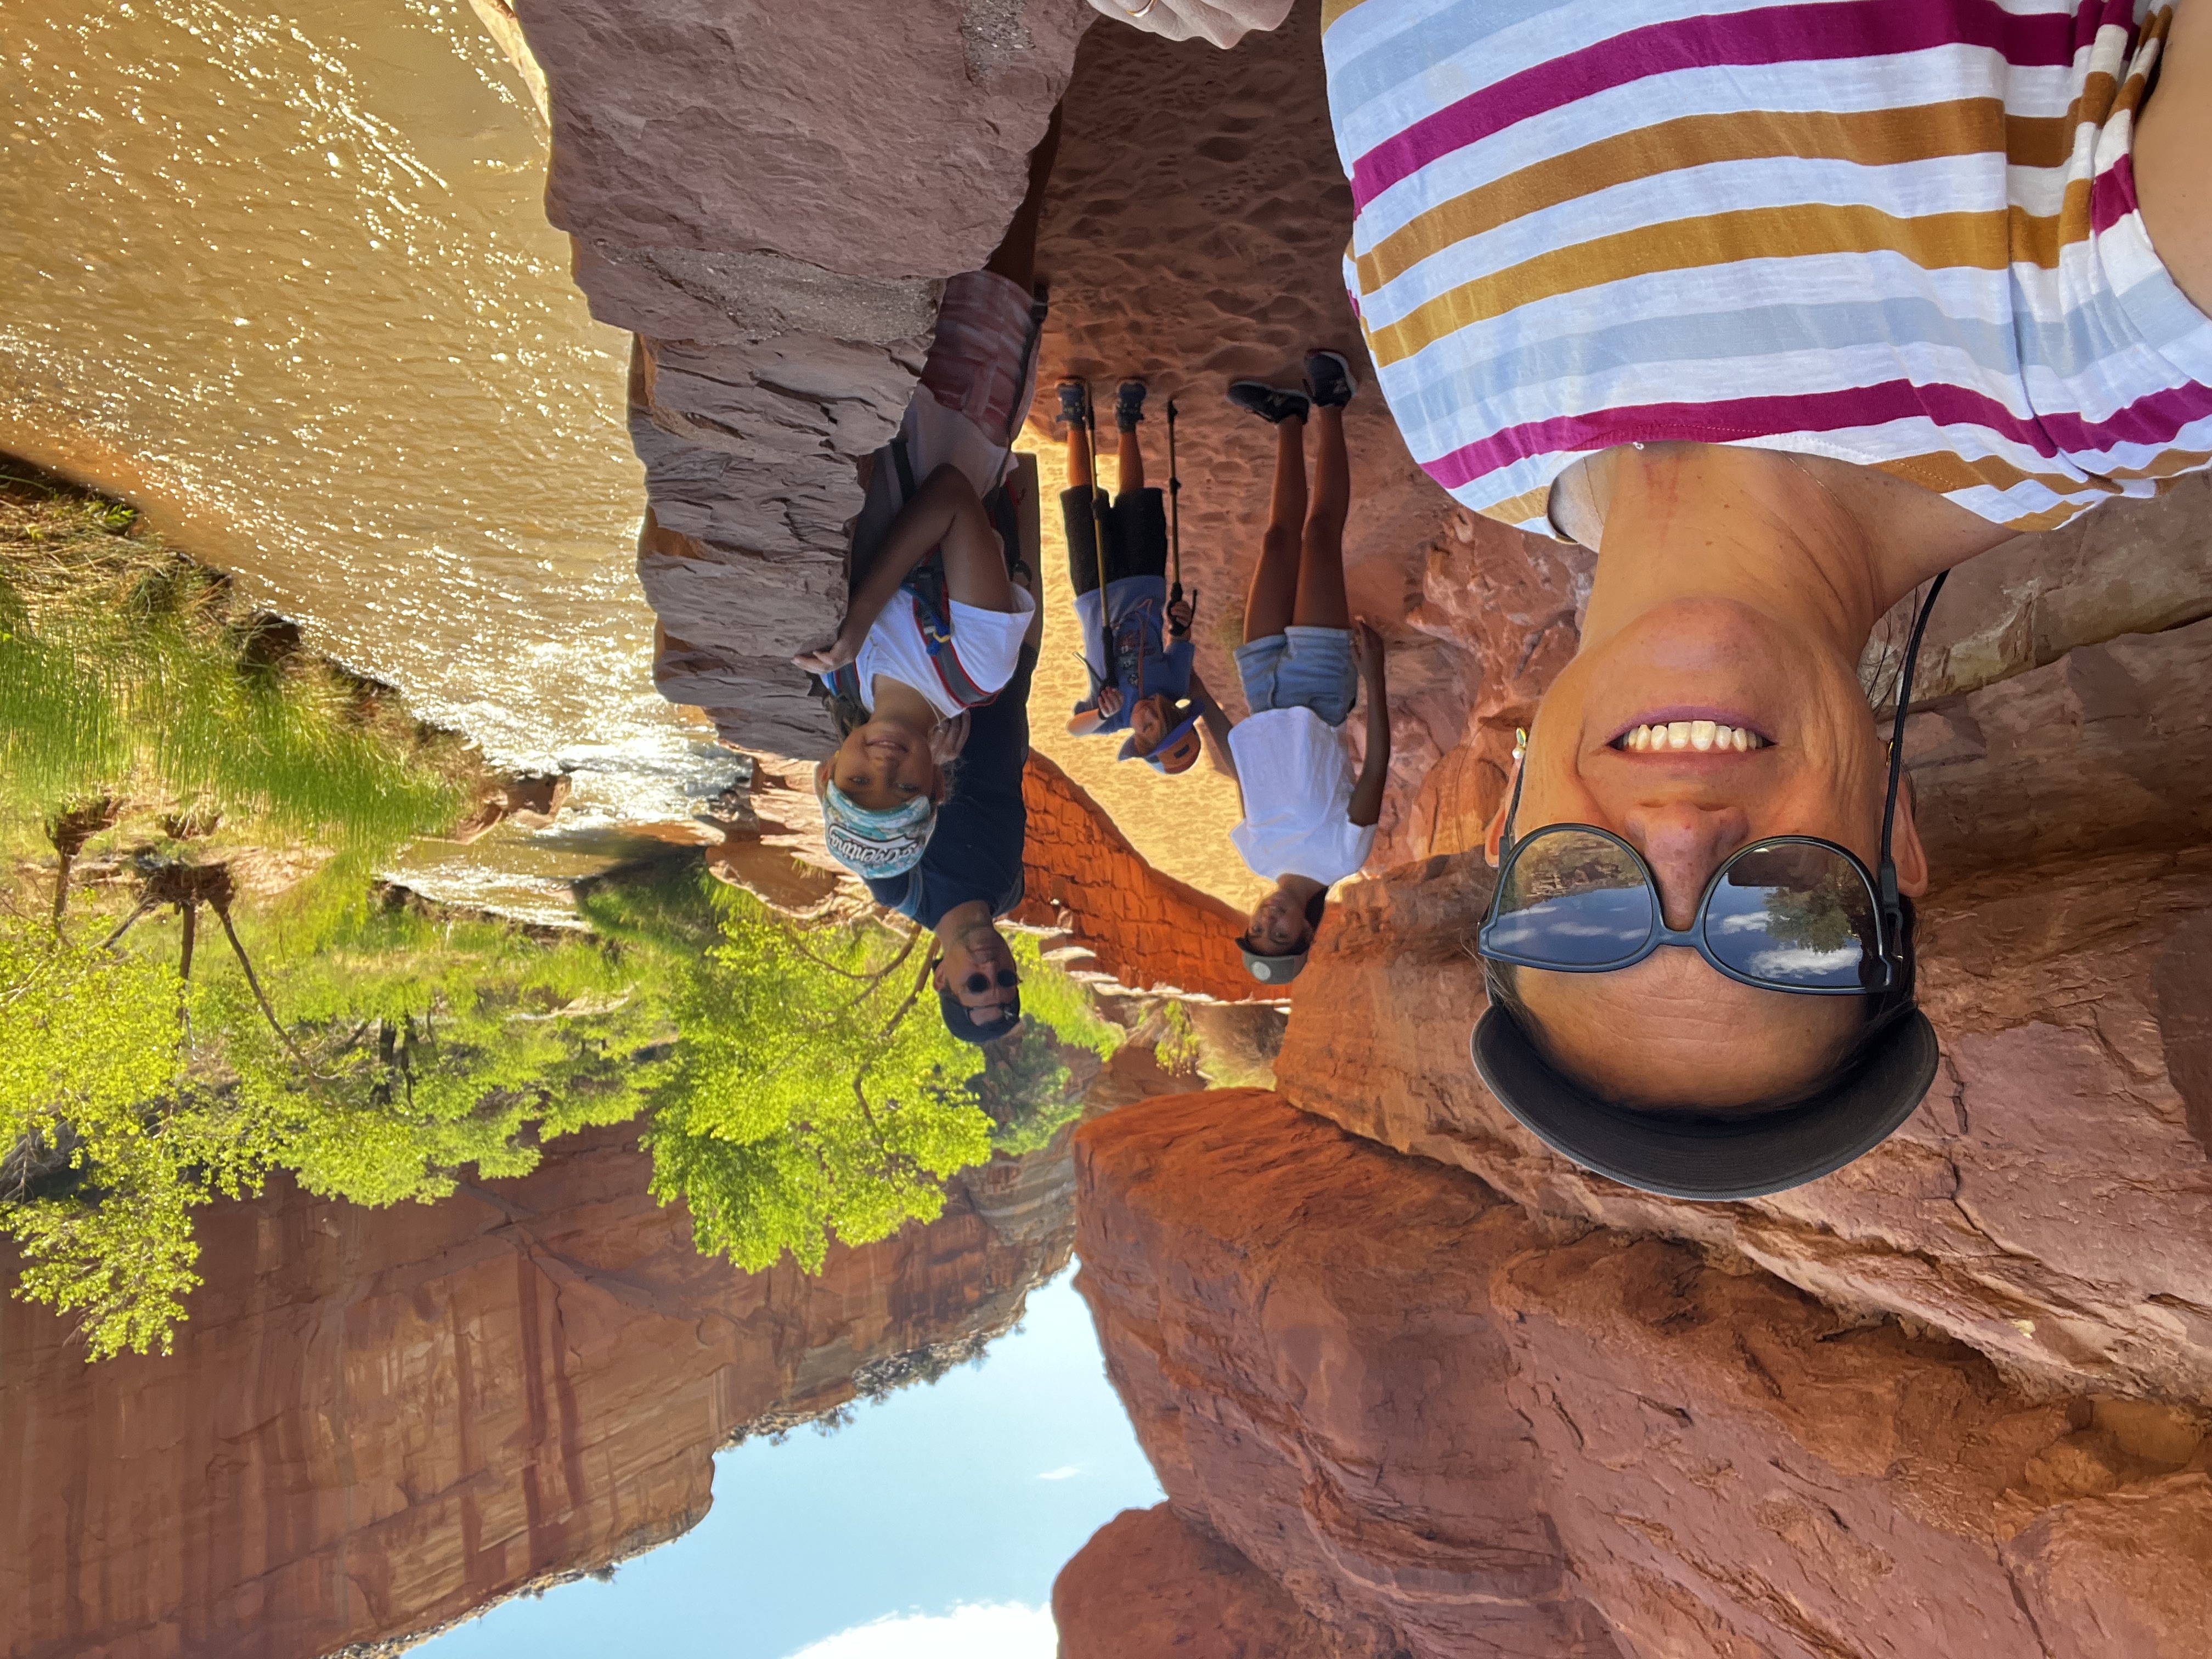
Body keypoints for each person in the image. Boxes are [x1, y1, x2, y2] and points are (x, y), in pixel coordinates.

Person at [1321, 0, 2212, 1195]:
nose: (1684, 836)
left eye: (1583, 909)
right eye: (1787, 923)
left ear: (1511, 823)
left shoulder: (1450, 422)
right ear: (1895, 844)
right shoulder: (2134, 339)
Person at [1187, 349, 1393, 985]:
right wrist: (1375, 674)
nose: (1267, 921)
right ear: (1307, 931)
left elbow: (1238, 761)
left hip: (1262, 691)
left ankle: (1287, 420)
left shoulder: (1259, 854)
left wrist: (1188, 683)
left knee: (1278, 542)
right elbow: (1377, 765)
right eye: (1280, 936)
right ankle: (1332, 401)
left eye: (1256, 930)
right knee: (1319, 536)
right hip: (1322, 691)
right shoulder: (1342, 857)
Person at [793, 463, 1034, 880]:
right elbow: (953, 493)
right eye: (906, 789)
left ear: (829, 770)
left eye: (858, 781)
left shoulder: (835, 673)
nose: (884, 766)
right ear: (936, 787)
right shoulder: (978, 668)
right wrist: (862, 614)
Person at [1057, 379, 1202, 774]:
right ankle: (1127, 423)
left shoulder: (1114, 719)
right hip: (1146, 581)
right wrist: (1182, 621)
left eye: (1145, 730)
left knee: (1082, 499)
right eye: (1159, 718)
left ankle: (1073, 420)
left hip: (1094, 591)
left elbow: (1075, 729)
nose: (1145, 717)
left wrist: (1102, 714)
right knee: (1133, 495)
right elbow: (1181, 639)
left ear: (1136, 740)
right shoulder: (1175, 686)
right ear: (1172, 711)